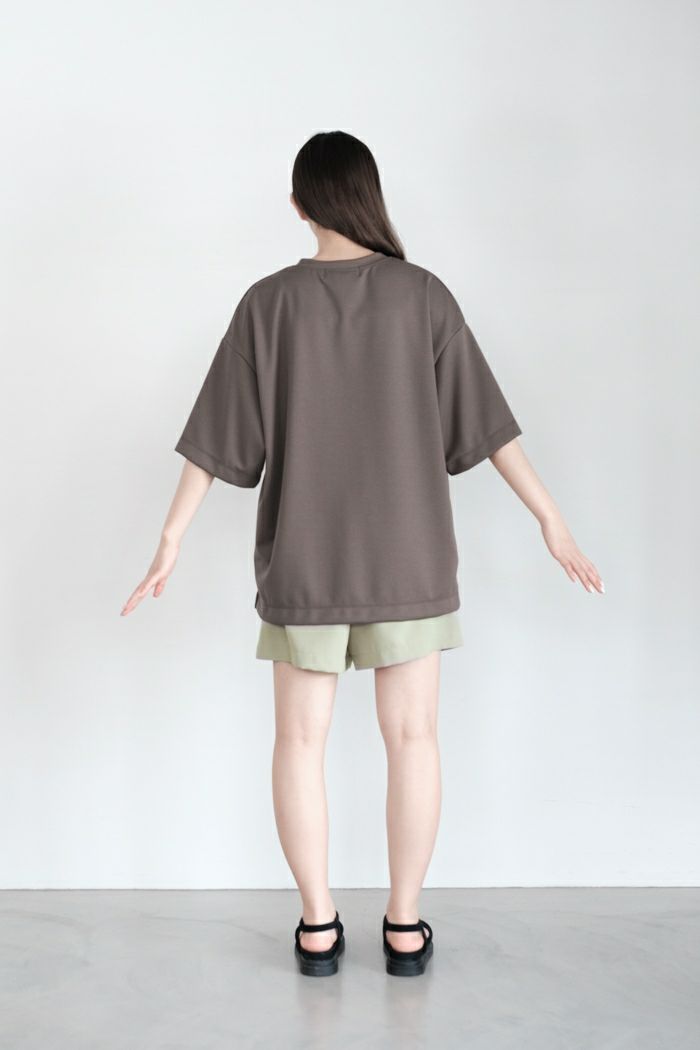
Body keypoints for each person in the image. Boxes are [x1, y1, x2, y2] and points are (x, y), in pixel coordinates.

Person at [121, 130, 604, 978]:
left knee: (297, 742)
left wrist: (170, 540)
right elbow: (492, 430)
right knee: (414, 739)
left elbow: (212, 444)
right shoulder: (424, 297)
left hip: (305, 561)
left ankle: (317, 928)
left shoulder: (267, 304)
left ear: (299, 204)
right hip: (408, 560)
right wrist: (550, 518)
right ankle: (405, 928)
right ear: (368, 196)